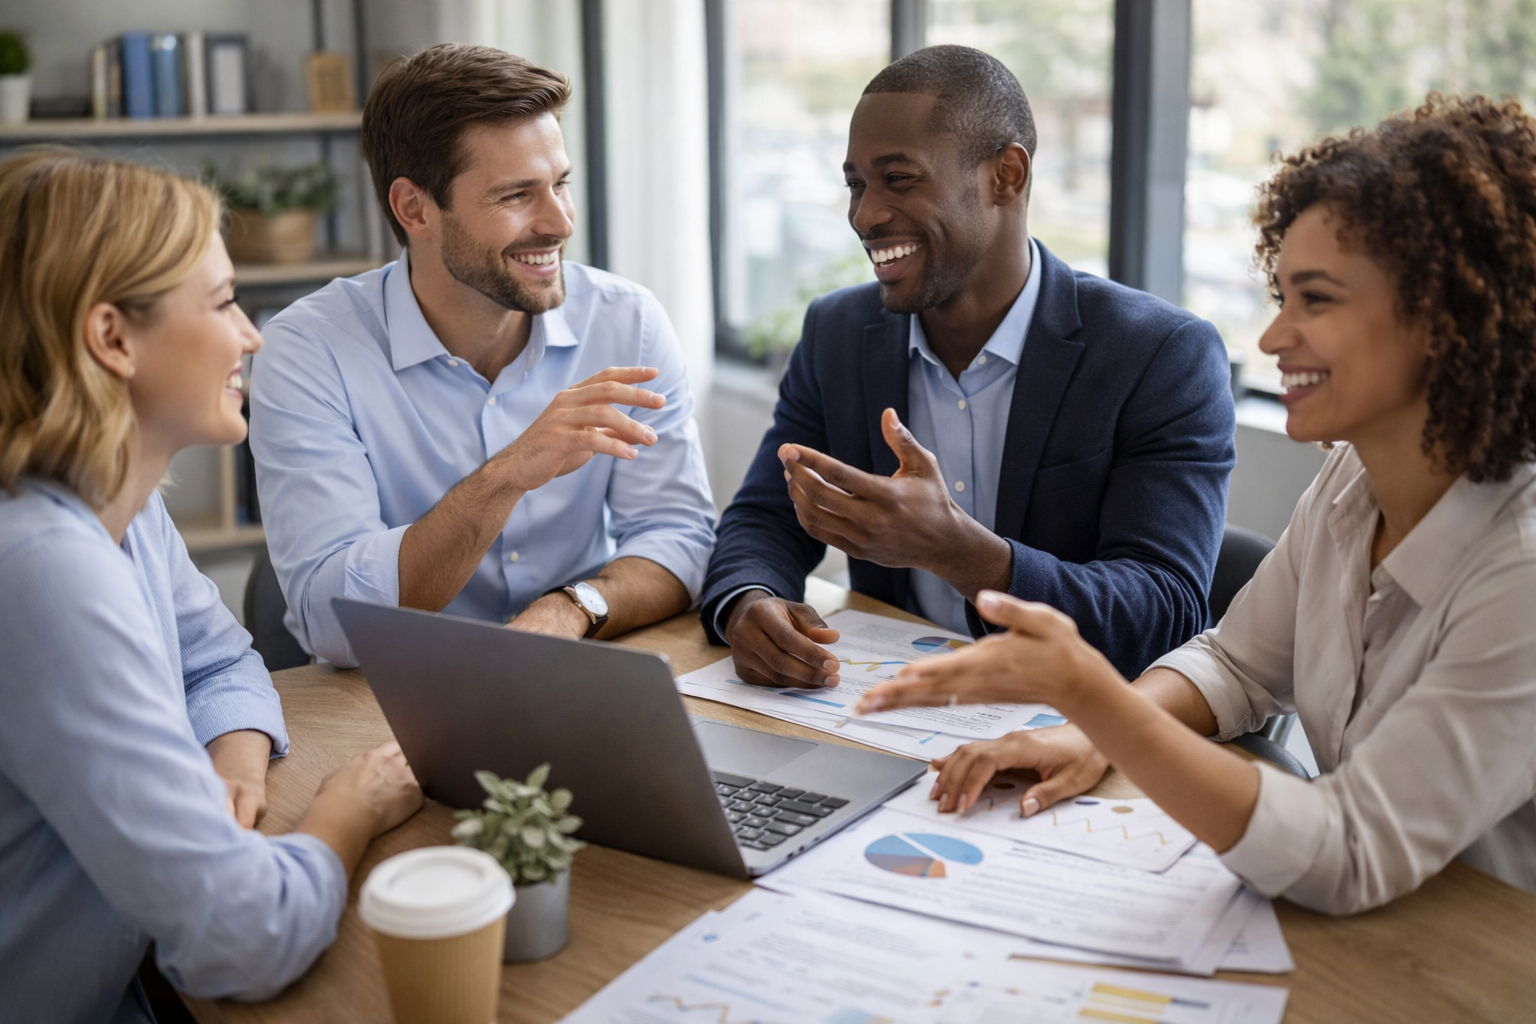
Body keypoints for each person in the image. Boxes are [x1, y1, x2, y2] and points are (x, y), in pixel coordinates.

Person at [858, 94, 1536, 914]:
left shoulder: (1521, 567)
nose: (1274, 339)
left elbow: (1352, 851)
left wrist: (1092, 696)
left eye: (1315, 300)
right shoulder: (1355, 481)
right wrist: (1085, 736)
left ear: (1448, 322)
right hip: (1398, 927)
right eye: (1281, 297)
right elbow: (1238, 664)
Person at [0, 151, 422, 1023]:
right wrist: (348, 811)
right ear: (112, 338)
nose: (251, 335)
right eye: (225, 302)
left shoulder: (116, 504)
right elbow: (243, 935)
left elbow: (223, 659)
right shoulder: (45, 568)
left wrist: (232, 771)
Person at [701, 45, 1235, 689]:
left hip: (1073, 723)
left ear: (1005, 176)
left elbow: (1165, 610)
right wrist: (748, 600)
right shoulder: (838, 334)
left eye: (898, 179)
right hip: (883, 709)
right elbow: (766, 517)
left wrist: (962, 553)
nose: (864, 214)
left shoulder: (1161, 355)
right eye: (856, 184)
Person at [250, 44, 715, 666]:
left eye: (560, 184)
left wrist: (570, 608)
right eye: (517, 195)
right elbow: (335, 624)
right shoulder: (310, 350)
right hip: (389, 696)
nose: (559, 222)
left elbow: (679, 537)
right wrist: (509, 473)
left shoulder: (626, 321)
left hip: (578, 671)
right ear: (415, 209)